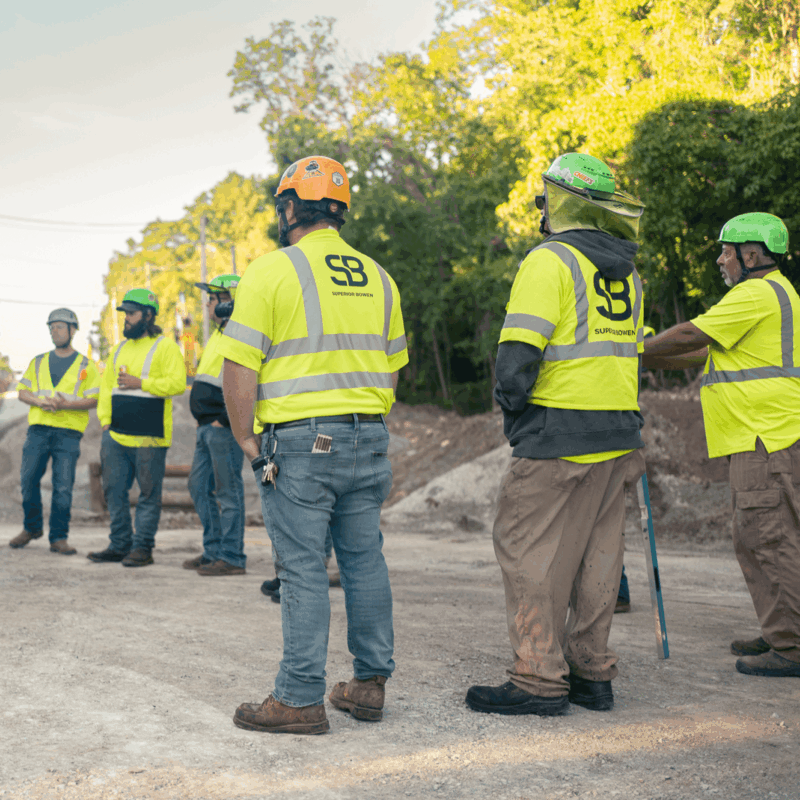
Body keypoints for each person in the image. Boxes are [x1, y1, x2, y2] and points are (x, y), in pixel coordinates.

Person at [219, 155, 408, 735]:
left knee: (301, 568)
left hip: (301, 442)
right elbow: (393, 368)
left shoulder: (272, 271)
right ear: (339, 211)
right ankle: (369, 685)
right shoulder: (380, 277)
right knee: (363, 559)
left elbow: (239, 364)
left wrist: (249, 440)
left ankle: (300, 698)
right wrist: (365, 426)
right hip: (367, 435)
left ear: (291, 207)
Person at [466, 153, 647, 717]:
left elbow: (517, 357)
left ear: (561, 202)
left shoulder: (551, 261)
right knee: (599, 557)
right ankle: (592, 674)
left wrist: (514, 413)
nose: (540, 207)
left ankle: (539, 677)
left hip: (557, 430)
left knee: (527, 549)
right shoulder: (628, 269)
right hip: (619, 431)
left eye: (545, 197)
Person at [642, 212, 800, 678]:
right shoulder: (777, 294)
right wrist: (649, 356)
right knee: (756, 538)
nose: (720, 259)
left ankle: (791, 644)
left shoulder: (755, 294)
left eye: (727, 251)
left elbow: (692, 334)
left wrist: (627, 349)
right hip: (767, 437)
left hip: (764, 439)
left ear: (752, 255)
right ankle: (781, 630)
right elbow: (702, 351)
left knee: (769, 540)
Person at [88, 289, 186, 567]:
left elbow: (177, 383)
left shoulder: (165, 347)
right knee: (114, 491)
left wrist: (140, 383)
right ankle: (119, 544)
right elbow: (106, 389)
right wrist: (105, 422)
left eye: (131, 314)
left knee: (147, 494)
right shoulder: (118, 349)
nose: (126, 319)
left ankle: (142, 547)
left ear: (148, 315)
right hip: (116, 436)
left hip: (149, 438)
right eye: (124, 314)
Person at [10, 309, 100, 555]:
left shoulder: (86, 365)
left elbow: (94, 399)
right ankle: (32, 528)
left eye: (60, 327)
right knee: (28, 480)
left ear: (73, 330)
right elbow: (22, 392)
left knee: (63, 487)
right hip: (38, 430)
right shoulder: (38, 362)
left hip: (68, 433)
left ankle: (58, 537)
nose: (55, 331)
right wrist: (39, 402)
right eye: (52, 327)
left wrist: (67, 405)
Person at [184, 274, 247, 576]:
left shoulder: (242, 334)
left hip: (223, 428)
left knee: (228, 492)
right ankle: (213, 551)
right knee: (198, 487)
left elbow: (247, 382)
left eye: (213, 297)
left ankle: (232, 556)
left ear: (229, 301)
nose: (207, 303)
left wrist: (226, 419)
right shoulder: (219, 335)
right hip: (206, 427)